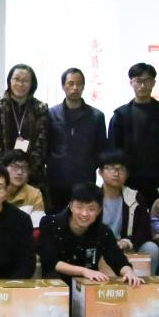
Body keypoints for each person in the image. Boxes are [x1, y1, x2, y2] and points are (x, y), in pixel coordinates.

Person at [40, 183, 144, 286]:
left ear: (99, 210)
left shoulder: (103, 231)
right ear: (71, 206)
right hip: (56, 285)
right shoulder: (50, 224)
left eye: (91, 209)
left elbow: (117, 259)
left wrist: (128, 272)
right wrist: (83, 271)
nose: (84, 213)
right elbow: (51, 261)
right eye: (79, 207)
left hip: (88, 284)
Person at [108, 63, 159, 207]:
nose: (143, 85)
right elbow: (113, 151)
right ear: (131, 83)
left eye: (147, 80)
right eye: (138, 81)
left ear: (154, 83)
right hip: (129, 182)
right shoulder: (120, 115)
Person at [46, 67, 107, 213]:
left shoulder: (96, 116)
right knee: (57, 219)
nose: (75, 87)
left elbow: (101, 150)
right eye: (70, 83)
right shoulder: (51, 114)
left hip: (85, 181)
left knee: (84, 218)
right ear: (63, 86)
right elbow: (46, 146)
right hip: (57, 181)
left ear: (83, 86)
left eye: (79, 84)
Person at [98, 150, 159, 275]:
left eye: (121, 169)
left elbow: (145, 230)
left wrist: (127, 242)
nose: (116, 173)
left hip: (126, 246)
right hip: (100, 246)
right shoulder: (92, 197)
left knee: (151, 248)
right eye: (110, 168)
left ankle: (147, 283)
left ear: (127, 174)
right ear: (100, 172)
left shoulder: (135, 198)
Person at [0, 63, 49, 192]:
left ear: (32, 84)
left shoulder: (40, 109)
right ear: (9, 81)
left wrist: (26, 171)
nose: (20, 84)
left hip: (33, 176)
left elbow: (42, 143)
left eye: (25, 80)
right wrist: (7, 171)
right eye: (16, 79)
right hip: (3, 176)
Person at [1, 150, 46, 216]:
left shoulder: (34, 194)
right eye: (15, 167)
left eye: (25, 168)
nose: (20, 172)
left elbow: (37, 221)